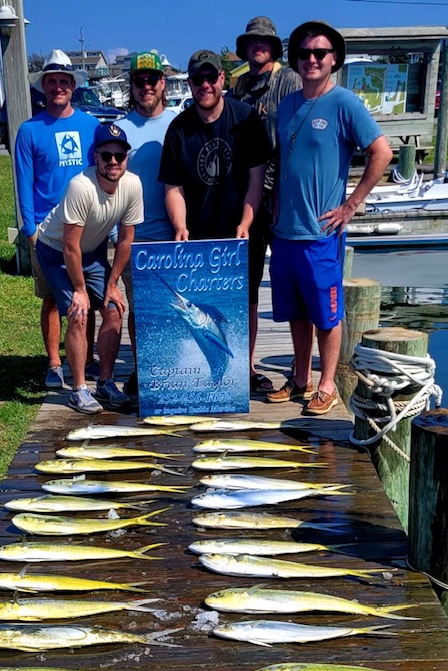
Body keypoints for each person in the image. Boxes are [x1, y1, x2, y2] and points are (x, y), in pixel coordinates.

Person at [267, 21, 392, 416]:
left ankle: (327, 384)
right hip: (284, 232)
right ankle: (300, 377)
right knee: (295, 312)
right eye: (304, 53)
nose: (312, 60)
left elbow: (382, 152)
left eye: (320, 53)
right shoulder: (286, 105)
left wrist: (351, 205)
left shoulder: (345, 103)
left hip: (321, 232)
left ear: (333, 59)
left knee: (326, 313)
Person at [34, 122, 144, 414]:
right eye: (106, 155)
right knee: (78, 313)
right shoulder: (80, 187)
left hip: (92, 249)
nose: (112, 162)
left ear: (126, 158)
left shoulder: (133, 185)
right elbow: (70, 246)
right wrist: (80, 290)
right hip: (56, 250)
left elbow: (125, 240)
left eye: (119, 156)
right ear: (95, 156)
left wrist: (112, 284)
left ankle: (105, 382)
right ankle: (79, 388)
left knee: (113, 308)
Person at [13, 51, 97, 390]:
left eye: (64, 81)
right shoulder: (30, 130)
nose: (58, 87)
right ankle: (54, 361)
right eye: (52, 82)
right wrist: (29, 229)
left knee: (86, 296)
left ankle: (87, 359)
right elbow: (24, 181)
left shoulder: (91, 125)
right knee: (51, 299)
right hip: (47, 232)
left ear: (73, 86)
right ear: (43, 87)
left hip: (87, 227)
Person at [232, 16, 301, 394]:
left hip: (283, 198)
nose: (258, 47)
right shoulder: (240, 84)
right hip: (250, 198)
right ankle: (247, 364)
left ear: (274, 47)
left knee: (291, 284)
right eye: (252, 42)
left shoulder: (289, 80)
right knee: (250, 285)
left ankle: (300, 369)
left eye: (265, 42)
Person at [159, 49, 271, 245]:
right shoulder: (177, 130)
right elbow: (174, 189)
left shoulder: (248, 119)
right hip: (197, 241)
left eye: (211, 78)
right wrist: (180, 226)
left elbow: (256, 180)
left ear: (221, 78)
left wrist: (245, 223)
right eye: (197, 79)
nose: (205, 85)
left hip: (243, 238)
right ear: (189, 83)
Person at [122, 51, 177, 399]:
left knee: (173, 309)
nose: (146, 86)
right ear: (131, 85)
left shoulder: (179, 122)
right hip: (132, 236)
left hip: (173, 235)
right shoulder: (118, 129)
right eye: (139, 81)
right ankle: (144, 369)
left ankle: (173, 368)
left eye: (152, 80)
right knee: (138, 310)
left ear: (163, 83)